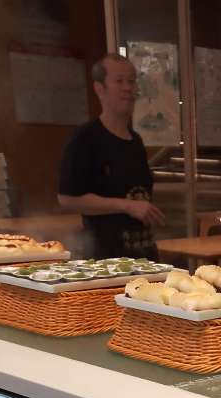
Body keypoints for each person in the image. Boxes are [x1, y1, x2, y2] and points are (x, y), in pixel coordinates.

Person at [58, 53, 164, 258]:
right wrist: (126, 206)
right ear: (100, 89)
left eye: (131, 81)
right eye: (119, 81)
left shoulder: (136, 141)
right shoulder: (85, 137)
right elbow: (67, 198)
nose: (128, 88)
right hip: (105, 260)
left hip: (144, 256)